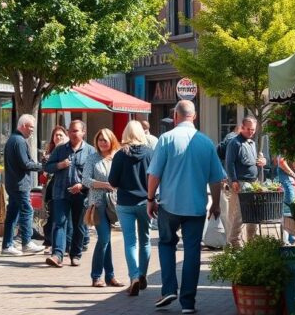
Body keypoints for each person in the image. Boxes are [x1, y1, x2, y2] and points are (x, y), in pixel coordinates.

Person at [147, 100, 225, 313]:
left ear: (175, 117)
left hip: (169, 204)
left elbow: (154, 174)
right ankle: (188, 303)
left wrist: (150, 198)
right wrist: (215, 204)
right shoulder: (206, 142)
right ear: (195, 116)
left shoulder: (166, 139)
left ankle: (169, 288)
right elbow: (216, 179)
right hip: (196, 206)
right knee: (192, 252)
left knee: (166, 243)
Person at [108, 120, 154, 296]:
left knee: (130, 241)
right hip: (146, 202)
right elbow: (155, 177)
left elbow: (112, 181)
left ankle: (134, 276)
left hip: (125, 202)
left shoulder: (120, 155)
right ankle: (142, 273)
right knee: (145, 240)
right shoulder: (150, 154)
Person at [44, 119, 96, 268]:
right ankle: (57, 255)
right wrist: (60, 165)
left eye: (76, 131)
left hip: (81, 194)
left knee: (79, 225)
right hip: (61, 192)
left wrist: (82, 185)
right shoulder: (60, 149)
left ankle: (75, 255)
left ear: (83, 133)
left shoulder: (90, 151)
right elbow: (47, 167)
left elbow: (94, 173)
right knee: (59, 222)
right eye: (70, 131)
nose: (72, 133)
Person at [82, 128, 124, 287]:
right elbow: (85, 180)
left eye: (105, 140)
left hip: (114, 203)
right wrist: (104, 184)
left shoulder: (117, 157)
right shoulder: (92, 158)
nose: (102, 143)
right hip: (98, 203)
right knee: (104, 238)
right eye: (100, 140)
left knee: (107, 241)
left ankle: (110, 276)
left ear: (111, 140)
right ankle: (96, 276)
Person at [1, 114, 45, 256]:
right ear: (24, 126)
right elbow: (25, 163)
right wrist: (42, 166)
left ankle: (7, 245)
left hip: (13, 182)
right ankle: (26, 242)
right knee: (27, 210)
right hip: (19, 184)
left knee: (13, 214)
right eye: (31, 127)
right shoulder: (19, 141)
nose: (32, 131)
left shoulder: (14, 140)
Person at [224, 116, 266, 248]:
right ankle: (234, 241)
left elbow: (255, 162)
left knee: (253, 213)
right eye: (248, 129)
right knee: (241, 214)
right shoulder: (234, 143)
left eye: (253, 130)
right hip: (241, 182)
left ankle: (251, 243)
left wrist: (263, 162)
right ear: (241, 127)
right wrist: (234, 180)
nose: (250, 132)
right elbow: (229, 163)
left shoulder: (252, 143)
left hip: (253, 182)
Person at [42, 125, 69, 250]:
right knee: (52, 215)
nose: (58, 137)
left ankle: (64, 244)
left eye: (60, 135)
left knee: (62, 218)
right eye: (55, 135)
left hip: (65, 188)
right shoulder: (50, 151)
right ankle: (51, 241)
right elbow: (45, 170)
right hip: (51, 188)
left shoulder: (67, 150)